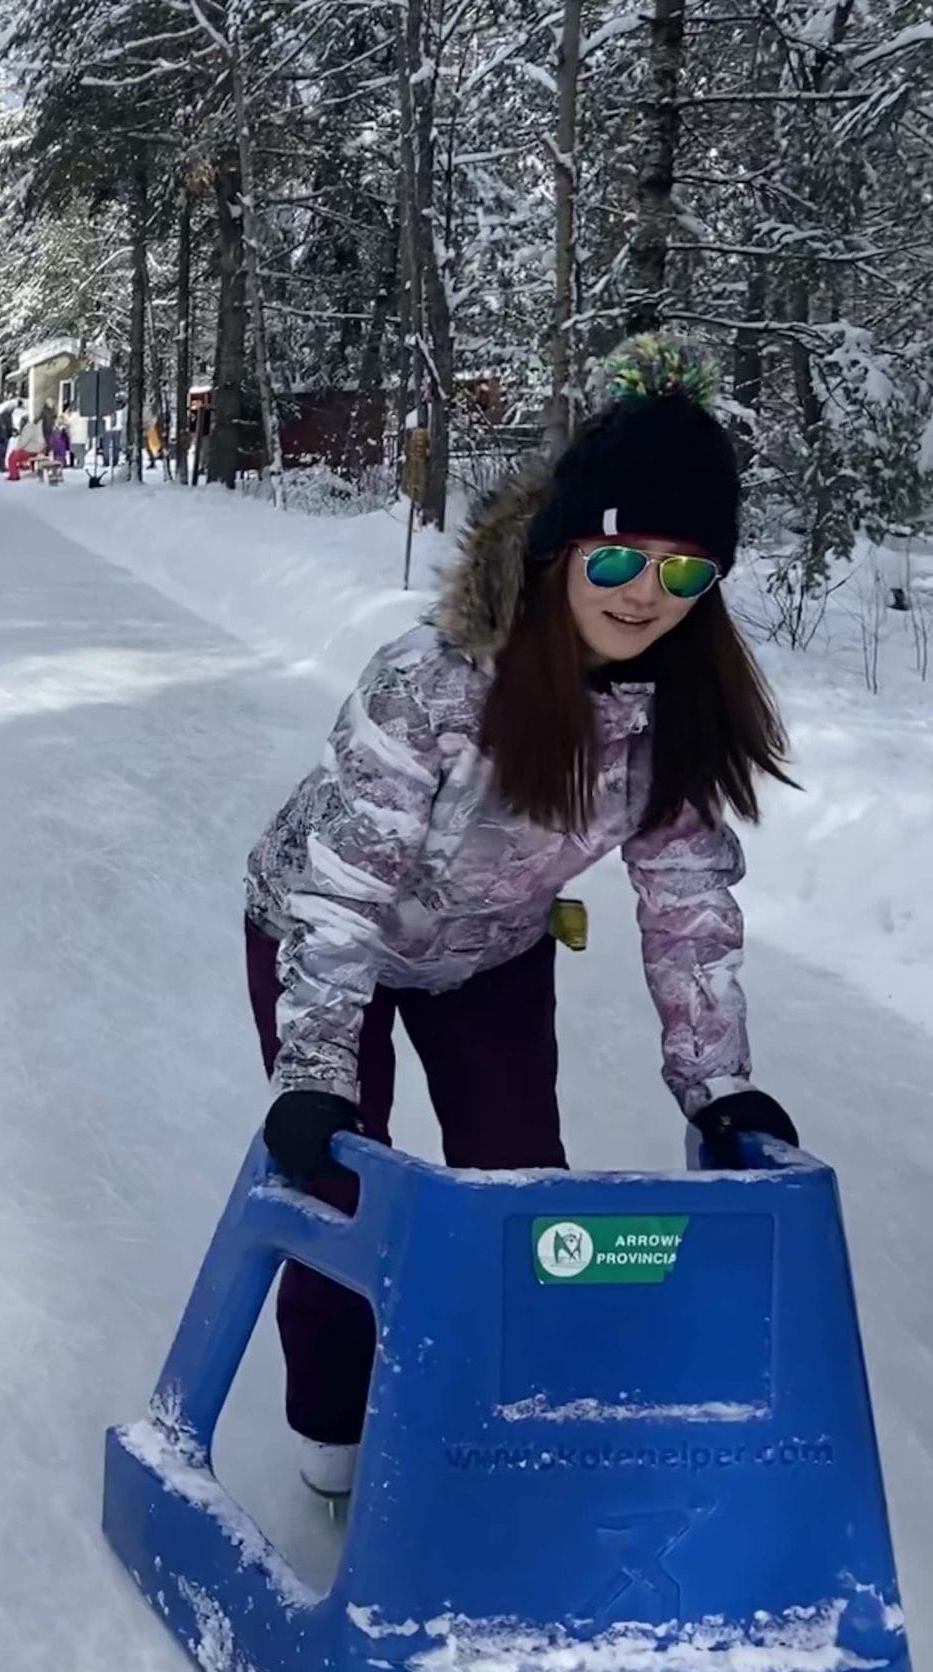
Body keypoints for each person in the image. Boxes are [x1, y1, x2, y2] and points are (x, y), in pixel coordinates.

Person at [242, 336, 795, 1507]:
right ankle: (332, 1440)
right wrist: (313, 1069)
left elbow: (688, 902)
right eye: (619, 558)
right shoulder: (435, 677)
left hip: (489, 952)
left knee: (519, 1181)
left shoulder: (672, 714)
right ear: (560, 550)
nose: (647, 595)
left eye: (685, 572)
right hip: (331, 923)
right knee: (344, 1183)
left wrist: (718, 1086)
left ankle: (511, 1411)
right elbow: (345, 877)